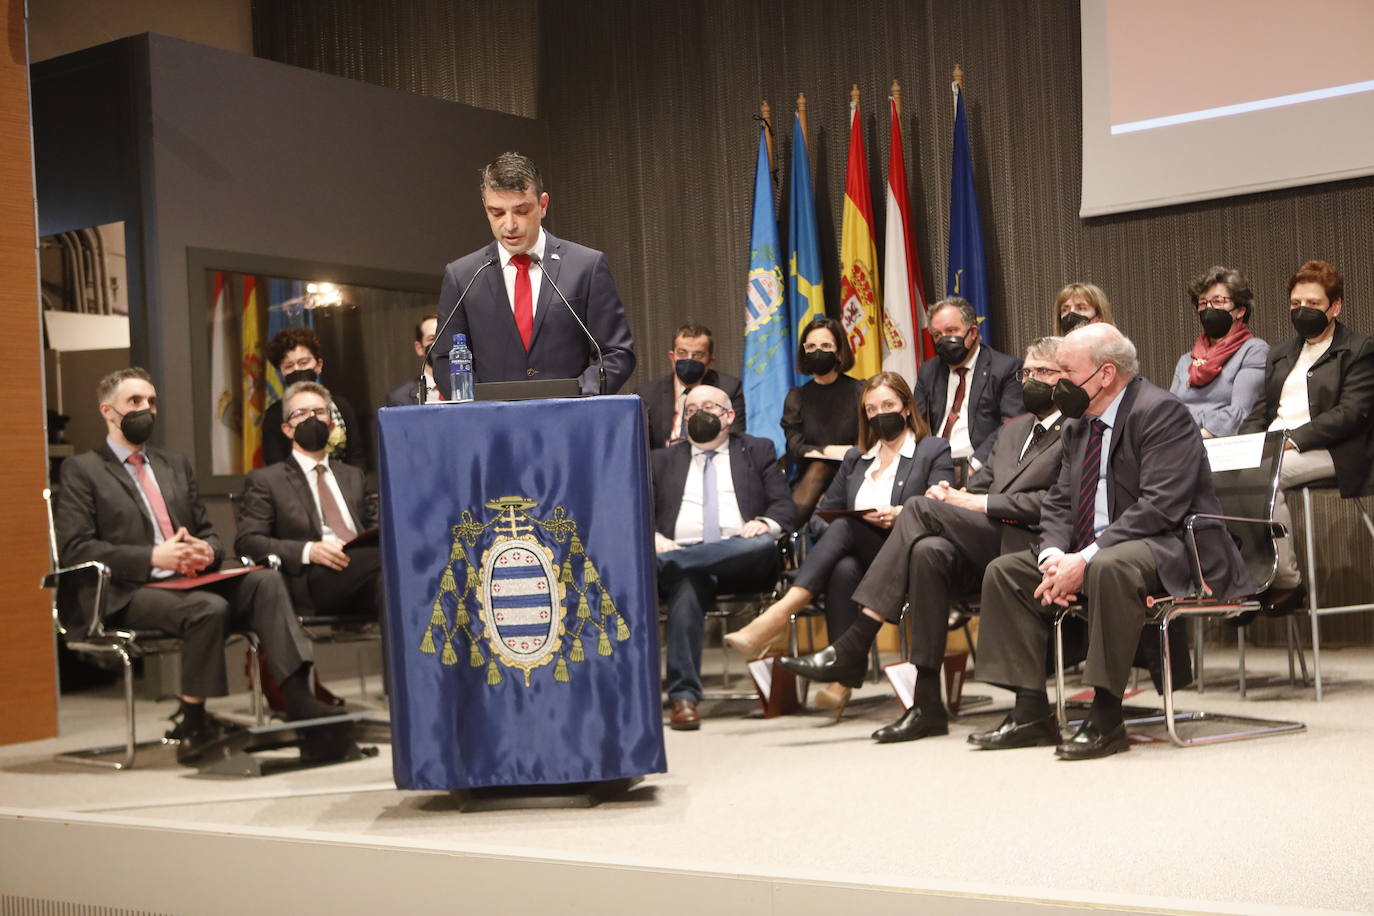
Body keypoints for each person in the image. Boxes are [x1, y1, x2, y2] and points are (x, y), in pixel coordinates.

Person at [969, 325, 1250, 760]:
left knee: (1109, 566)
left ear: (1105, 374)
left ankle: (1106, 716)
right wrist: (1053, 557)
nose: (1057, 382)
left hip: (1170, 544)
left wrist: (1083, 559)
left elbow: (1161, 507)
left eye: (1065, 370)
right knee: (1006, 572)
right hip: (1093, 548)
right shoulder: (1078, 423)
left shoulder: (1161, 412)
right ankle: (1030, 712)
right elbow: (1060, 502)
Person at [777, 338, 1068, 743]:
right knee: (928, 550)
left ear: (1067, 379)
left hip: (1032, 543)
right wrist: (947, 497)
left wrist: (974, 500)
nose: (1032, 380)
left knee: (914, 509)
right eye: (1027, 373)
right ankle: (926, 705)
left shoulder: (1077, 428)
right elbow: (979, 484)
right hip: (985, 540)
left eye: (1044, 373)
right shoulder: (1013, 429)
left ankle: (854, 644)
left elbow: (1058, 501)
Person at [55, 368, 341, 763]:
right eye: (135, 402)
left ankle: (297, 698)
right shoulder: (82, 470)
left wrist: (205, 551)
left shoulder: (174, 464)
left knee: (265, 581)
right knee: (210, 608)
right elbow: (75, 548)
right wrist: (154, 556)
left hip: (186, 580)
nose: (146, 410)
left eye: (151, 402)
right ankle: (193, 719)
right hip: (124, 591)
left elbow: (206, 531)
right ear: (108, 411)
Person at [725, 372, 953, 711]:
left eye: (888, 405)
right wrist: (853, 522)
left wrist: (900, 514)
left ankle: (778, 616)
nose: (880, 415)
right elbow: (819, 516)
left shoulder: (931, 450)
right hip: (861, 557)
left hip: (912, 555)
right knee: (843, 561)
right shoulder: (856, 459)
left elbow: (940, 506)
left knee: (845, 531)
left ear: (906, 408)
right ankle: (842, 676)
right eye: (872, 409)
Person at [652, 385, 799, 730]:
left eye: (709, 407)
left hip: (742, 557)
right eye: (691, 410)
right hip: (681, 556)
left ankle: (664, 567)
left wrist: (764, 522)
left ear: (729, 416)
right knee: (686, 586)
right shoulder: (661, 459)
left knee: (762, 544)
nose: (698, 414)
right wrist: (653, 537)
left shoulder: (757, 450)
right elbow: (638, 511)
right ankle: (684, 699)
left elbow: (784, 507)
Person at [433, 152, 636, 396]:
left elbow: (617, 353)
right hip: (494, 427)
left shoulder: (586, 266)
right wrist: (480, 405)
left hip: (571, 421)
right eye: (497, 213)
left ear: (543, 205)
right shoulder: (462, 276)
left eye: (521, 211)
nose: (509, 225)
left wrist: (577, 394)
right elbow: (445, 359)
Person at [1239, 260, 1374, 612]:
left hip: (1333, 450)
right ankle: (1243, 577)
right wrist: (1242, 444)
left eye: (1313, 304)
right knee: (1221, 476)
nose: (1303, 311)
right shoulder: (1281, 353)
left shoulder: (1359, 349)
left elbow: (1352, 413)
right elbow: (1261, 411)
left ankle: (1285, 581)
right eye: (1296, 304)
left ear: (1335, 306)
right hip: (1275, 446)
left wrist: (1292, 439)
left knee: (1270, 476)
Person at [236, 381, 382, 622]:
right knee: (395, 566)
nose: (311, 419)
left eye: (319, 412)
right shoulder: (267, 480)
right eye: (300, 413)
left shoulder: (353, 476)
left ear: (332, 424)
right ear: (287, 429)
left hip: (365, 572)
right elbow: (248, 542)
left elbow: (376, 528)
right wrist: (309, 551)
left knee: (387, 586)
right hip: (315, 577)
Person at [915, 297, 1023, 478]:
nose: (944, 340)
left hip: (981, 466)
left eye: (951, 331)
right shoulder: (929, 370)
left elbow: (1011, 427)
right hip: (934, 466)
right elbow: (916, 424)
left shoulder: (1005, 369)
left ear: (973, 332)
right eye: (937, 335)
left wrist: (973, 467)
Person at [780, 315, 866, 518]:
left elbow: (865, 445)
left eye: (826, 345)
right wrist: (833, 451)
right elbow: (795, 448)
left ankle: (785, 530)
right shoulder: (797, 397)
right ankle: (789, 530)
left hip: (855, 471)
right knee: (819, 468)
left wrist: (821, 451)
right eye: (811, 346)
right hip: (811, 476)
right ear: (804, 352)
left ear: (838, 351)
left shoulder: (860, 390)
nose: (818, 351)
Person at [1168, 266, 1268, 438]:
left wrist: (1195, 436)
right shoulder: (1186, 360)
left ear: (1240, 311)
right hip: (1182, 443)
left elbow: (1241, 412)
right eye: (1203, 303)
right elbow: (1169, 412)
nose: (1209, 308)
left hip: (1221, 444)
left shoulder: (1253, 351)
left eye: (1218, 301)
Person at [260, 327, 365, 468]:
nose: (297, 370)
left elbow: (357, 457)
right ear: (281, 372)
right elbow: (275, 464)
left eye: (303, 363)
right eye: (289, 366)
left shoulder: (342, 406)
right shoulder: (274, 415)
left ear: (319, 365)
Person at [638, 324, 745, 448]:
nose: (689, 360)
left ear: (710, 361)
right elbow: (641, 447)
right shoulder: (648, 393)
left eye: (698, 355)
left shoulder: (728, 388)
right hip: (664, 462)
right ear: (672, 356)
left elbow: (734, 441)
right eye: (682, 353)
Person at [385, 313, 442, 406]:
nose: (441, 344)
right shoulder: (400, 398)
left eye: (444, 337)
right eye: (432, 339)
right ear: (419, 348)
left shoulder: (468, 388)